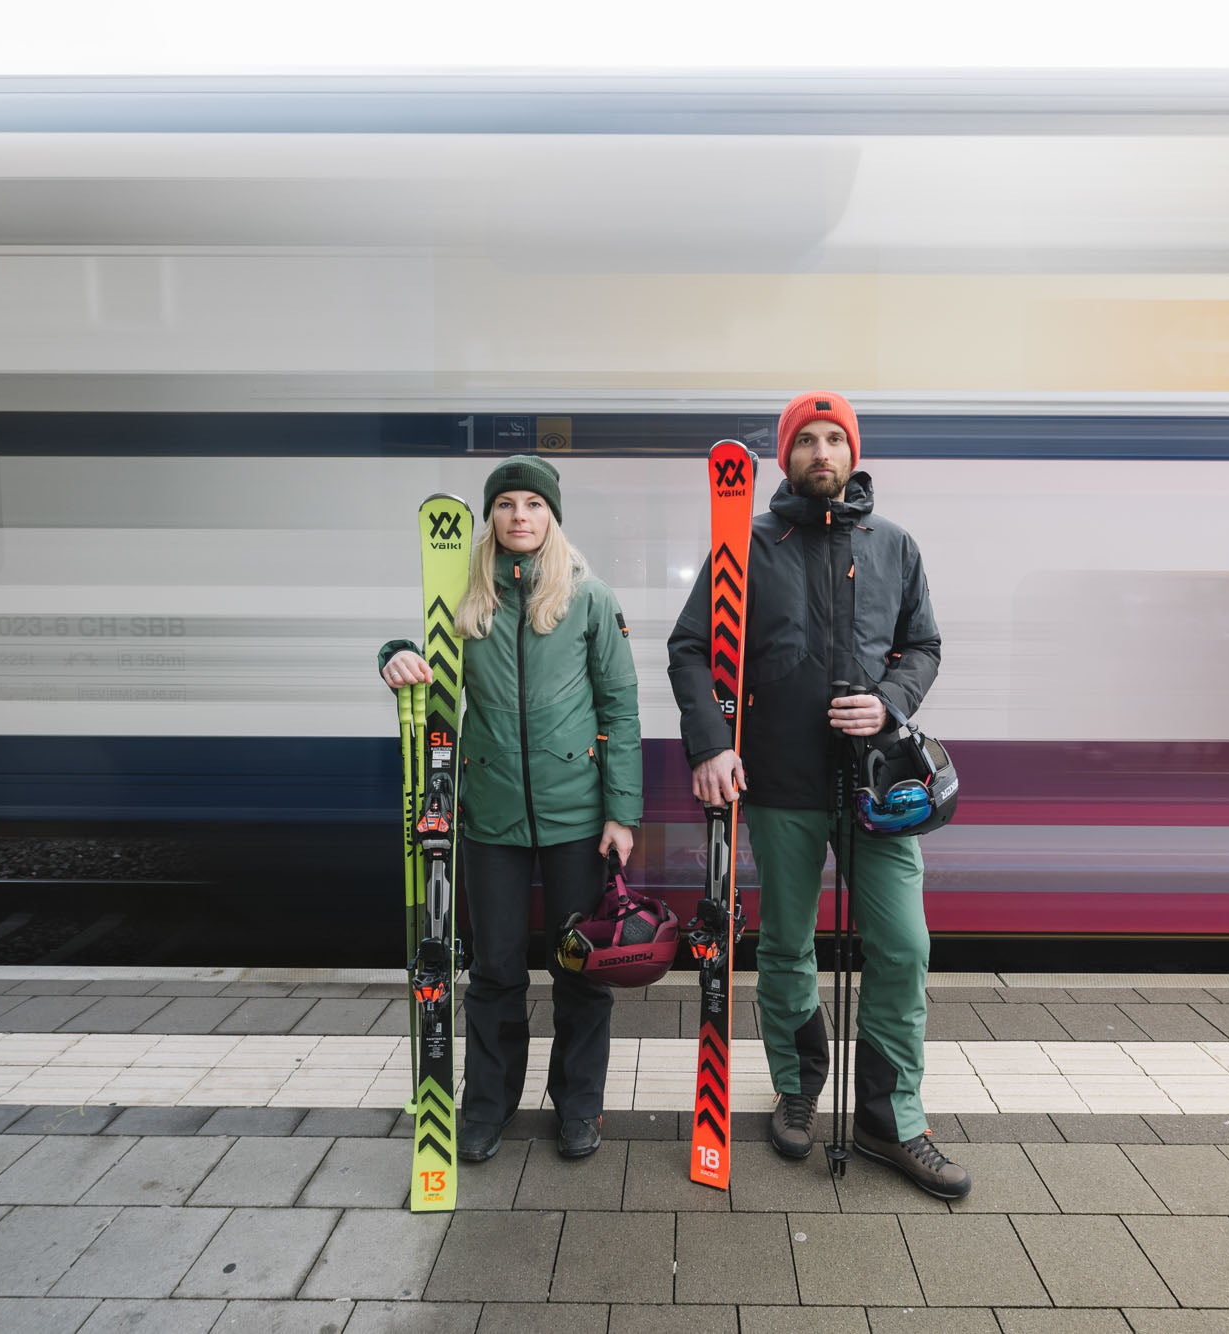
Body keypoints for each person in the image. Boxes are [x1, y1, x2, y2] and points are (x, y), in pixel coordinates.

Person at [666, 392, 971, 1200]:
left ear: (853, 454)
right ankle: (798, 1085)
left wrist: (892, 701)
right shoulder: (747, 545)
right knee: (788, 946)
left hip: (876, 787)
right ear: (787, 456)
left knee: (903, 947)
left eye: (837, 439)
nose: (824, 452)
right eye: (809, 440)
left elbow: (925, 645)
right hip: (781, 784)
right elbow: (691, 648)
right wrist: (711, 744)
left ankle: (888, 1115)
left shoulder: (894, 545)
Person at [380, 455, 642, 1162]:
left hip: (576, 817)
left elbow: (619, 707)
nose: (519, 515)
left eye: (532, 503)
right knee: (494, 970)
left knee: (580, 968)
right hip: (489, 813)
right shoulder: (465, 599)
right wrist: (395, 654)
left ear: (551, 515)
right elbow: (420, 655)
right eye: (506, 504)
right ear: (490, 517)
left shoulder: (588, 598)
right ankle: (488, 1106)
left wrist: (621, 813)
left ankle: (578, 1106)